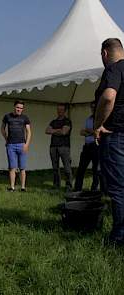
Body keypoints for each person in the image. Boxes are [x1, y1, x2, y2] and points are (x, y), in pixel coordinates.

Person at [94, 38, 124, 245]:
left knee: (118, 188)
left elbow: (108, 97)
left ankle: (119, 237)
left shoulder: (113, 69)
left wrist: (98, 123)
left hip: (116, 136)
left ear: (105, 53)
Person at [1, 100, 31, 192]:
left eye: (21, 108)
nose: (19, 109)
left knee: (22, 167)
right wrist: (6, 139)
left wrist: (27, 144)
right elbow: (2, 128)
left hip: (22, 145)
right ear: (14, 107)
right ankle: (12, 187)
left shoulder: (25, 118)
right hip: (11, 145)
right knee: (12, 167)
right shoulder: (7, 116)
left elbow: (29, 132)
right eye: (18, 107)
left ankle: (22, 188)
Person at [45, 104, 72, 190]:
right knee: (55, 168)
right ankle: (56, 185)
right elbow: (47, 131)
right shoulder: (53, 121)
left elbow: (64, 132)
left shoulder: (67, 121)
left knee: (67, 167)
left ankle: (69, 185)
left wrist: (53, 131)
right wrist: (58, 130)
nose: (59, 111)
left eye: (61, 110)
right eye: (58, 110)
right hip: (53, 147)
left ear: (65, 111)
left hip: (64, 147)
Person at [74, 101, 99, 192]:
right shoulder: (88, 119)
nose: (92, 109)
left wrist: (89, 131)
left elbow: (98, 133)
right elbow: (81, 132)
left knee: (96, 169)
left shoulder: (100, 118)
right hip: (87, 146)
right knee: (81, 168)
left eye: (94, 107)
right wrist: (92, 131)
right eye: (91, 107)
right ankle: (77, 189)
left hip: (96, 146)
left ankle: (94, 190)